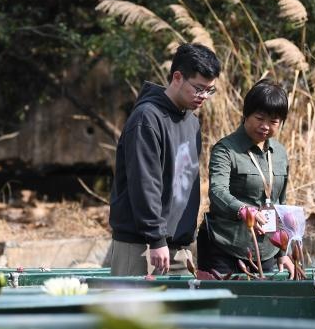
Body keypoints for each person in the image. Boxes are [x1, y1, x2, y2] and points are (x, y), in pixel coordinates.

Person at [106, 43, 222, 276]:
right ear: (177, 77)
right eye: (199, 88)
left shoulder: (191, 123)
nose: (204, 97)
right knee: (132, 313)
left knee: (181, 313)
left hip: (179, 248)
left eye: (210, 91)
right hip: (142, 246)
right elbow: (144, 182)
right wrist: (156, 238)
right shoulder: (147, 118)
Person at [198, 79, 295, 276]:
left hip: (267, 250)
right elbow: (217, 191)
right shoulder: (225, 149)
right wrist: (243, 210)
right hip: (225, 247)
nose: (266, 126)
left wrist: (284, 251)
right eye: (260, 118)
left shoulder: (280, 153)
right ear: (246, 115)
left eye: (273, 121)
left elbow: (280, 203)